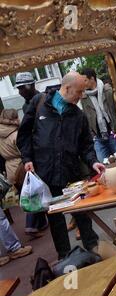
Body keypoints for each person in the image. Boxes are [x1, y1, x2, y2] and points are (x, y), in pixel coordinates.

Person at [17, 72, 106, 260]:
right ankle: (64, 257)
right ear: (66, 88)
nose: (82, 96)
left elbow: (86, 145)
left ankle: (92, 247)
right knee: (56, 220)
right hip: (45, 173)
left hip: (72, 173)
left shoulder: (78, 115)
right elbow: (23, 135)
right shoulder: (39, 104)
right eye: (79, 92)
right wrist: (27, 159)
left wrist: (93, 161)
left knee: (81, 213)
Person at [13, 72, 48, 235]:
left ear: (31, 85)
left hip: (44, 152)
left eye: (22, 88)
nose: (20, 92)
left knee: (39, 187)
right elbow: (26, 132)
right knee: (36, 187)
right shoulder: (26, 105)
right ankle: (36, 222)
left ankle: (35, 222)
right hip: (34, 154)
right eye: (18, 88)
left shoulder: (43, 99)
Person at [79, 68, 116, 163]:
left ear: (92, 79)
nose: (83, 83)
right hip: (98, 138)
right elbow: (86, 117)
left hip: (114, 135)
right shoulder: (84, 97)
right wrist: (93, 136)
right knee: (104, 168)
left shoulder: (107, 90)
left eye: (85, 80)